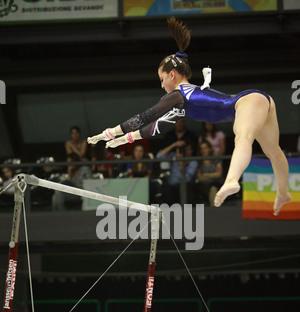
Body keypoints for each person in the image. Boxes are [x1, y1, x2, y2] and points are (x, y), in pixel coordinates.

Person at [87, 17, 291, 216]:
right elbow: (156, 126)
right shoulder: (182, 103)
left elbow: (144, 116)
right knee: (273, 151)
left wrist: (108, 133)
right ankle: (283, 193)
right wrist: (123, 139)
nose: (161, 85)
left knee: (243, 138)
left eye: (162, 79)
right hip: (259, 103)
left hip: (246, 102)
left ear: (172, 75)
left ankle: (231, 180)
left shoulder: (178, 94)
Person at [156, 139, 198, 204]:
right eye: (185, 149)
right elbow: (159, 156)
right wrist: (174, 145)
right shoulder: (174, 156)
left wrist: (180, 161)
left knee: (187, 189)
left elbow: (187, 178)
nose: (187, 152)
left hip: (186, 185)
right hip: (172, 184)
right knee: (167, 190)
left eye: (189, 150)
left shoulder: (193, 161)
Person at [196, 140, 224, 206]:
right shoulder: (199, 162)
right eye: (201, 149)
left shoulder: (216, 159)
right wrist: (212, 175)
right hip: (203, 186)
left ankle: (214, 210)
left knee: (213, 188)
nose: (203, 150)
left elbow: (219, 174)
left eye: (205, 148)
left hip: (217, 184)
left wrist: (205, 175)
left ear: (210, 149)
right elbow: (199, 177)